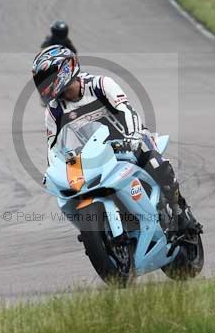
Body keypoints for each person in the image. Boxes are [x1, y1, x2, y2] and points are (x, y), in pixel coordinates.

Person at [32, 45, 202, 237]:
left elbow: (127, 111)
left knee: (154, 161)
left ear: (64, 69)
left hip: (129, 138)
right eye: (40, 80)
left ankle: (181, 211)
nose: (42, 84)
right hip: (94, 154)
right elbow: (52, 146)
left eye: (45, 77)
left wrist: (132, 138)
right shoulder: (53, 111)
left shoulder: (100, 85)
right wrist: (52, 170)